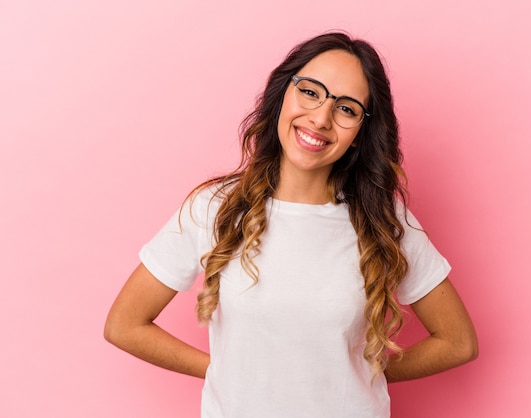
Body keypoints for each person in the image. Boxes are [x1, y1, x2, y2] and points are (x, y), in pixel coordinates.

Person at [104, 31, 478, 418]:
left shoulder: (383, 219)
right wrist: (222, 370)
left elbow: (457, 342)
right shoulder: (214, 208)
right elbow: (125, 325)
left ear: (360, 133)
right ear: (283, 93)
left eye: (347, 109)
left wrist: (360, 373)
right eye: (310, 91)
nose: (320, 118)